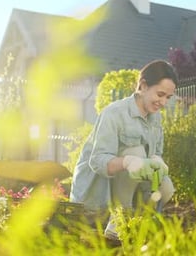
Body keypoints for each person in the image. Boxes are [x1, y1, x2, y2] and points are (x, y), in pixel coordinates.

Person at [69, 59, 178, 241]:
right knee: (135, 153)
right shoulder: (114, 113)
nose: (163, 102)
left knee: (165, 187)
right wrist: (128, 161)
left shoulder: (156, 119)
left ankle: (135, 224)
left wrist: (157, 160)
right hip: (96, 194)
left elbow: (155, 153)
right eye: (160, 94)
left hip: (126, 187)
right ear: (143, 86)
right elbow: (97, 161)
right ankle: (118, 223)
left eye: (168, 97)